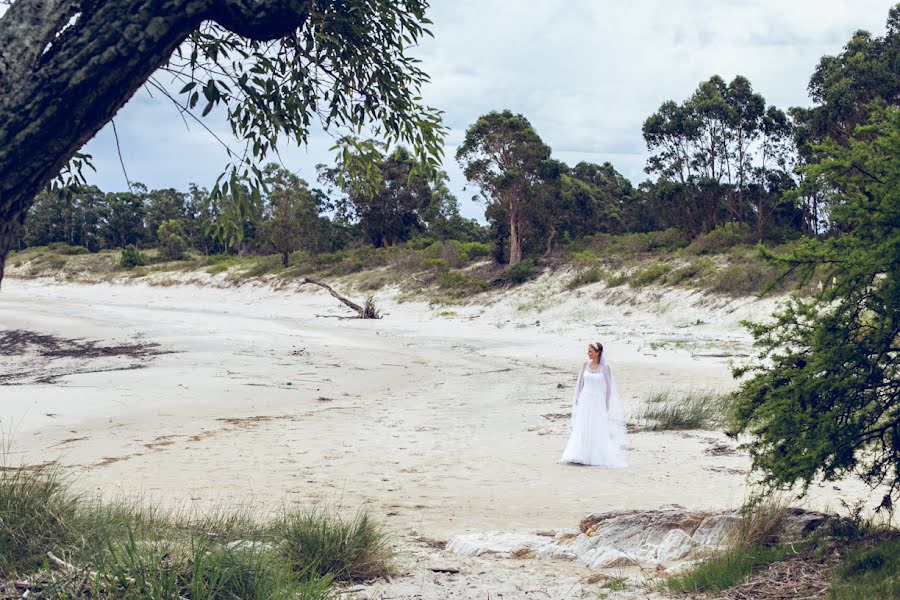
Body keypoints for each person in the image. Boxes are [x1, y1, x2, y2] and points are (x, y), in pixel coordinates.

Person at [559, 341, 628, 467]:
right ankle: (579, 454)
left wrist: (606, 404)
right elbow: (580, 384)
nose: (588, 353)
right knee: (583, 426)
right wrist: (578, 399)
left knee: (596, 427)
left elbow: (609, 387)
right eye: (588, 351)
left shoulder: (605, 368)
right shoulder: (585, 364)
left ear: (598, 353)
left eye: (590, 351)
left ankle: (595, 455)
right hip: (585, 399)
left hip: (597, 401)